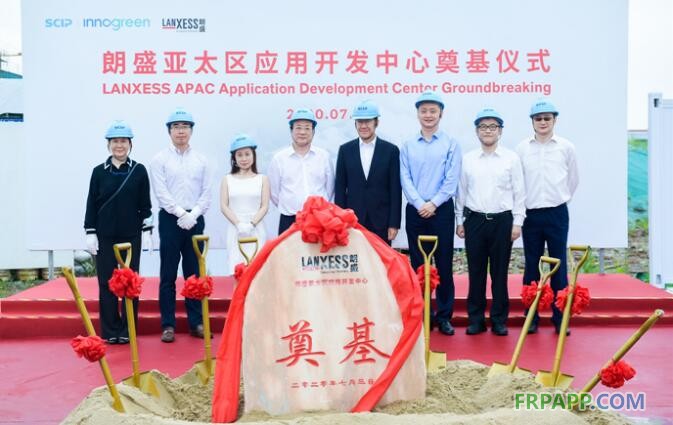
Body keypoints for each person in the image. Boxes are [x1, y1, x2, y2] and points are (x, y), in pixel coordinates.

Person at [455, 108, 526, 336]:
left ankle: (498, 319)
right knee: (475, 272)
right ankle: (476, 319)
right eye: (483, 127)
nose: (488, 131)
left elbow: (519, 192)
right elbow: (461, 193)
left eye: (493, 127)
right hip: (474, 220)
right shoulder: (468, 159)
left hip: (502, 221)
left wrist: (517, 222)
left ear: (500, 131)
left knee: (499, 272)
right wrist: (460, 221)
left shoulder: (511, 158)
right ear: (477, 131)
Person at [84, 120, 152, 344]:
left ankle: (127, 329)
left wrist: (147, 231)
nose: (119, 145)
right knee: (106, 283)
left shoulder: (139, 170)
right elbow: (91, 204)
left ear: (130, 144)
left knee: (130, 283)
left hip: (131, 236)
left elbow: (145, 205)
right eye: (115, 141)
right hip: (104, 235)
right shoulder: (98, 172)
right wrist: (90, 232)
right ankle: (110, 330)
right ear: (108, 145)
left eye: (123, 141)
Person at [149, 108, 215, 343]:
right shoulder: (159, 160)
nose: (180, 131)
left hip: (195, 219)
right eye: (176, 127)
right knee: (168, 273)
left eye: (185, 127)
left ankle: (196, 323)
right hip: (170, 219)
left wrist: (193, 214)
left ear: (191, 130)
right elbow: (161, 192)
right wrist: (180, 213)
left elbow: (207, 193)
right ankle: (168, 325)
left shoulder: (202, 160)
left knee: (194, 273)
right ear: (169, 131)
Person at [400, 91, 462, 336]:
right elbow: (405, 178)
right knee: (418, 265)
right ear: (417, 114)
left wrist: (433, 203)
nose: (428, 115)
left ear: (440, 114)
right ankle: (423, 314)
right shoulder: (408, 145)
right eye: (423, 111)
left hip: (441, 210)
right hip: (415, 211)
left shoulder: (451, 144)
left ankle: (444, 316)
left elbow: (451, 180)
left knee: (443, 263)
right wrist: (419, 203)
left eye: (433, 111)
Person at [516, 99, 579, 335]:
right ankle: (531, 316)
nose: (543, 122)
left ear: (554, 120)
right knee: (532, 265)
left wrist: (559, 199)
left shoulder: (566, 147)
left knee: (558, 265)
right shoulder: (522, 148)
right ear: (532, 121)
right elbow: (518, 182)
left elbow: (573, 180)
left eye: (547, 118)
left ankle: (560, 317)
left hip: (557, 213)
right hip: (531, 214)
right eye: (538, 118)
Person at [335, 100, 401, 245]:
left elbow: (395, 190)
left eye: (368, 121)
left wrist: (394, 223)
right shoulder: (345, 150)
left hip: (382, 222)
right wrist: (341, 221)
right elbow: (340, 189)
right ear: (355, 124)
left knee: (380, 258)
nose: (363, 126)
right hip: (353, 222)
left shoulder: (391, 151)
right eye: (360, 122)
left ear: (376, 122)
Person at [268, 108, 334, 234]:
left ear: (313, 131)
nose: (302, 132)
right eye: (298, 128)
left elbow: (330, 189)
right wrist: (289, 205)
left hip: (319, 218)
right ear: (291, 130)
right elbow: (274, 193)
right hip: (289, 219)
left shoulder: (324, 156)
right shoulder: (279, 159)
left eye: (307, 128)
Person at [220, 134, 270, 273]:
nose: (244, 158)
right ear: (234, 158)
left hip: (256, 228)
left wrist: (251, 224)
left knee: (257, 271)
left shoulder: (262, 179)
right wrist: (239, 224)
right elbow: (224, 206)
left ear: (253, 156)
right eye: (240, 155)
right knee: (237, 270)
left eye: (247, 154)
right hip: (235, 229)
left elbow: (264, 206)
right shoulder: (227, 179)